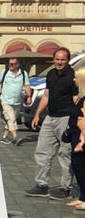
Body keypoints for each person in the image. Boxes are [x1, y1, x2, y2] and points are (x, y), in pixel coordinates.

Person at [27, 47, 77, 200]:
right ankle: (42, 185)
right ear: (53, 59)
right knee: (42, 152)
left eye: (63, 59)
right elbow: (47, 95)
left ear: (67, 60)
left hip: (66, 118)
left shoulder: (74, 76)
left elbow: (77, 98)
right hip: (50, 117)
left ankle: (65, 187)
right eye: (57, 59)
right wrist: (37, 115)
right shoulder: (50, 74)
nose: (59, 62)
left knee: (65, 153)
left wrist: (77, 121)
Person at [0, 57, 32, 145]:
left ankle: (4, 137)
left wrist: (29, 96)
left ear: (18, 65)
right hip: (5, 100)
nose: (10, 65)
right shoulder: (5, 72)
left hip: (17, 101)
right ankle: (15, 137)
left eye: (13, 64)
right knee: (11, 119)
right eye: (9, 64)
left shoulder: (23, 74)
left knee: (11, 120)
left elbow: (27, 86)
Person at [64, 70, 85, 210]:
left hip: (81, 138)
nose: (74, 80)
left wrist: (82, 140)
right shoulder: (79, 97)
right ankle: (83, 196)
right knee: (77, 166)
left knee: (82, 166)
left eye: (76, 78)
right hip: (74, 136)